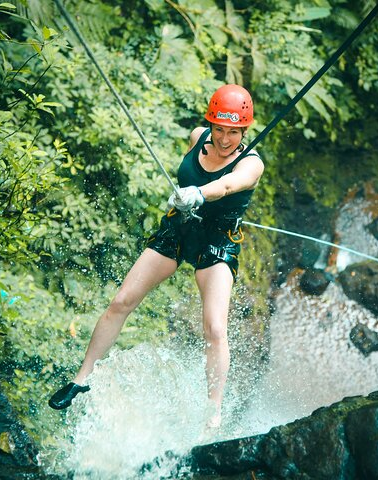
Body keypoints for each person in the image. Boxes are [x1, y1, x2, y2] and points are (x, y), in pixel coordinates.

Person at [48, 84, 264, 428]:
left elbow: (225, 186)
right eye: (220, 129)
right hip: (179, 227)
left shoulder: (252, 164)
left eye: (234, 133)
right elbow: (191, 168)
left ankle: (214, 409)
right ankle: (82, 378)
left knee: (215, 326)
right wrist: (183, 197)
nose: (224, 140)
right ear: (210, 125)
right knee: (122, 300)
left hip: (218, 238)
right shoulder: (197, 137)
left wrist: (196, 193)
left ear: (245, 130)